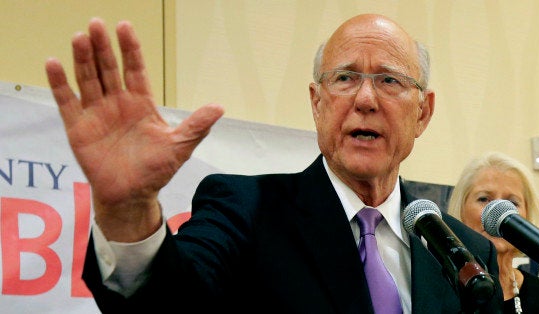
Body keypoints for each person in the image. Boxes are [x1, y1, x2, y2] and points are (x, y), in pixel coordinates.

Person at [45, 14, 504, 313]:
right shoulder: (245, 208)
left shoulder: (463, 250)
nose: (365, 99)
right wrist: (128, 210)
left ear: (422, 111)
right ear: (317, 102)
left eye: (389, 80)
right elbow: (171, 304)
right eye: (344, 78)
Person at [447, 152, 539, 314]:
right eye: (484, 199)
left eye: (512, 202)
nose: (498, 213)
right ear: (461, 211)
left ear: (528, 216)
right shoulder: (438, 291)